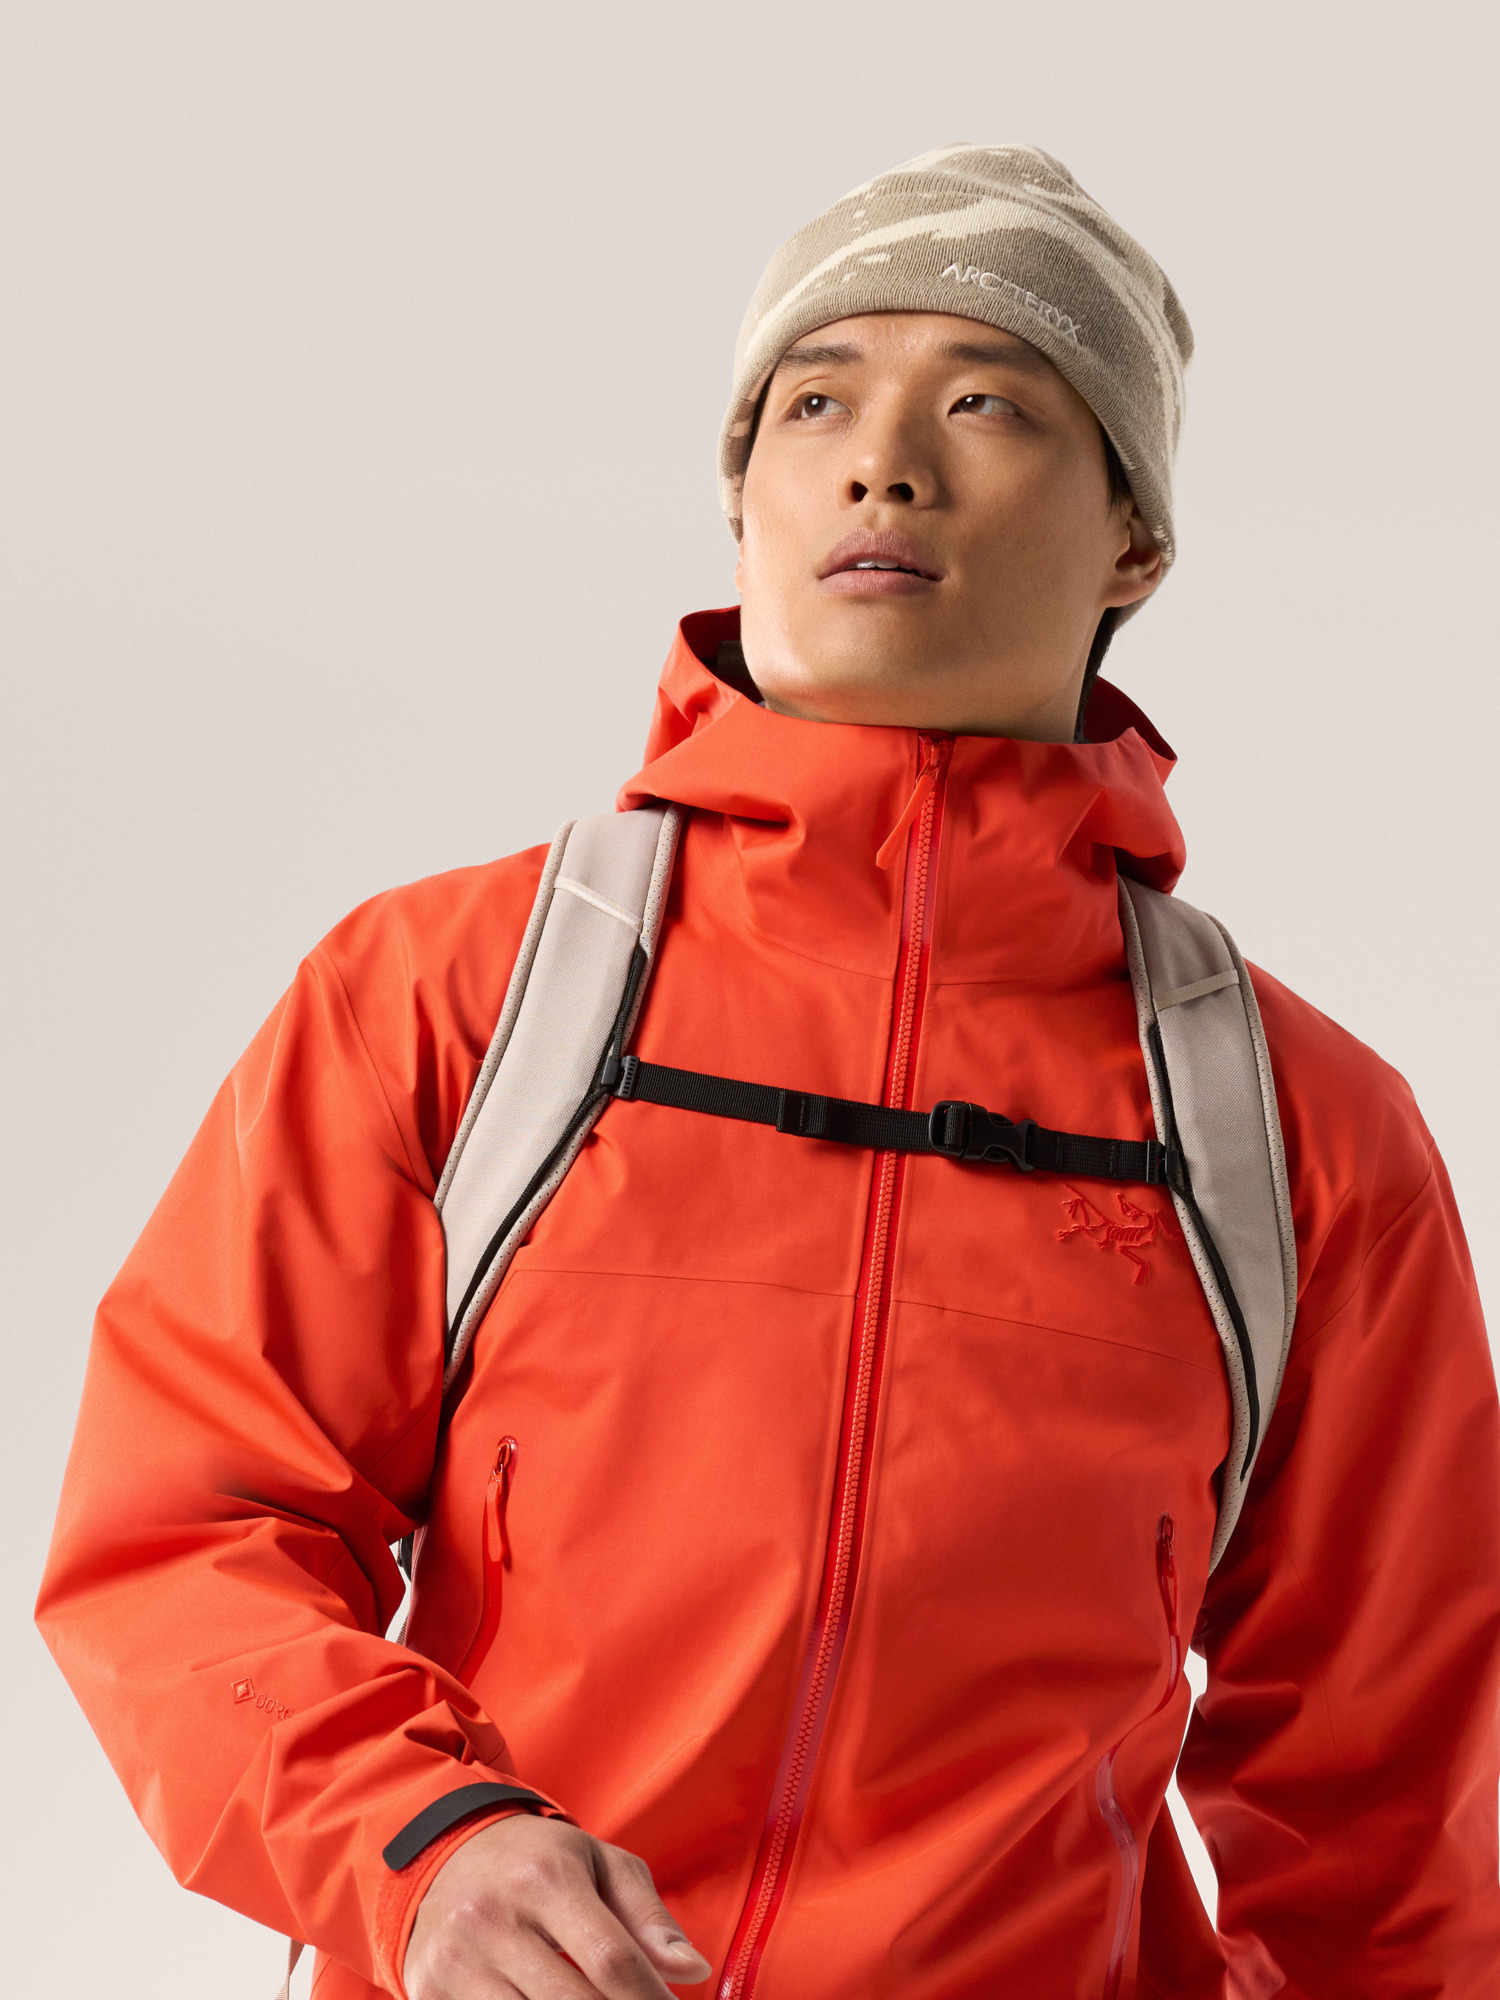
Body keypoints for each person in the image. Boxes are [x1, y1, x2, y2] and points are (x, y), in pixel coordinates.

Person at [37, 145, 1500, 2000]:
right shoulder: (450, 996)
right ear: (741, 499)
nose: (881, 462)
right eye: (814, 402)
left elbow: (1391, 1804)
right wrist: (423, 1849)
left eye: (989, 402)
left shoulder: (1298, 1132)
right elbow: (189, 1536)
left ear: (1136, 539)